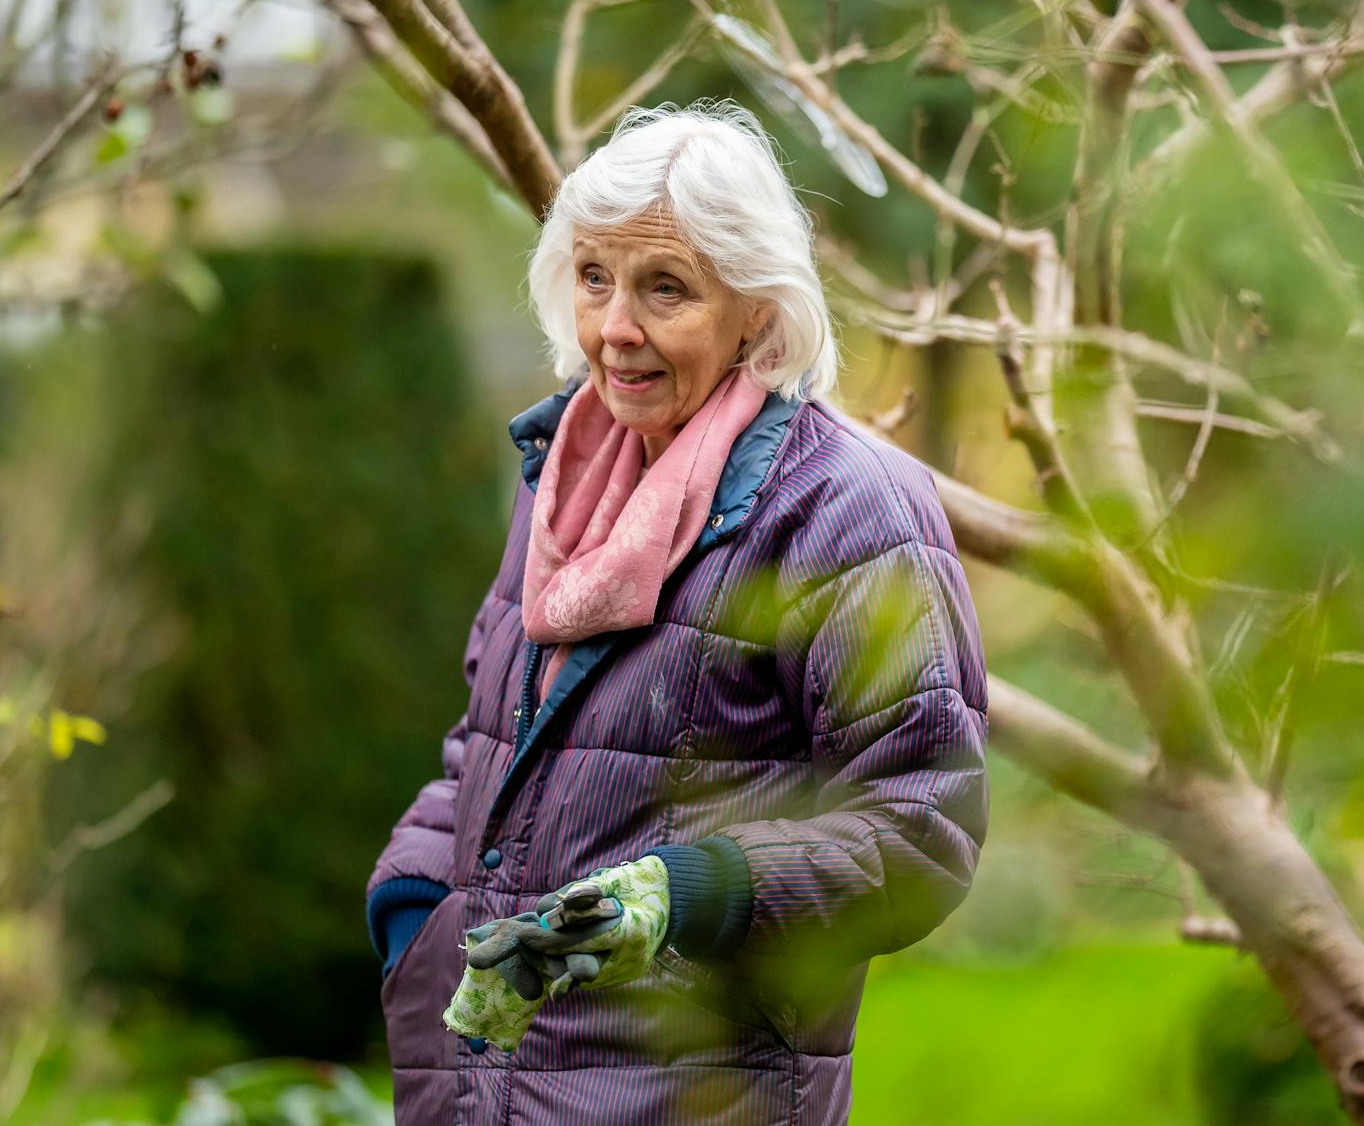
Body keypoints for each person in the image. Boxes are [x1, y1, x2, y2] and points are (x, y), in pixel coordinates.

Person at [364, 100, 990, 1125]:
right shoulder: (567, 477)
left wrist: (684, 894)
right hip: (479, 1085)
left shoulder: (848, 509)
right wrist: (414, 914)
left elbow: (922, 825)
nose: (615, 328)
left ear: (758, 308)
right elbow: (487, 745)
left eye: (666, 288)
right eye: (594, 277)